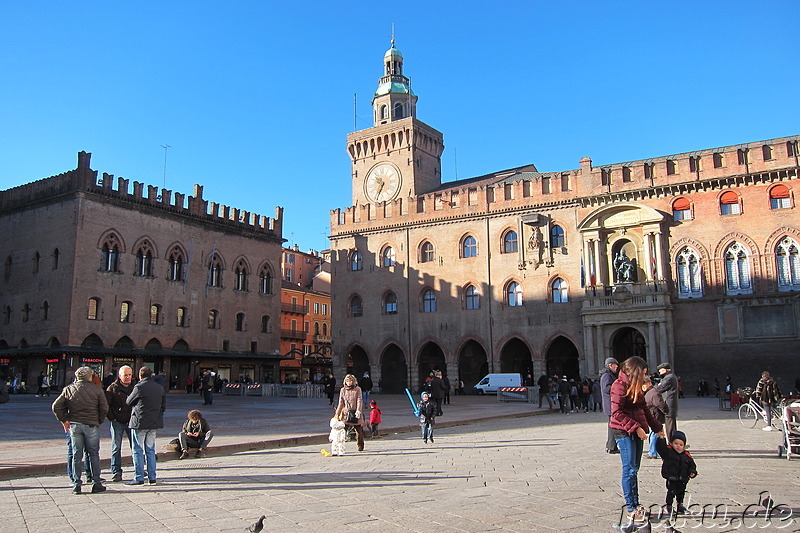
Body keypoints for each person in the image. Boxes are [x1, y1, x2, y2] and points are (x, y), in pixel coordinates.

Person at [610, 356, 666, 525]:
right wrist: (637, 428)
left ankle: (637, 504)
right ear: (635, 372)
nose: (645, 377)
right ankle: (631, 508)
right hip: (623, 431)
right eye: (643, 373)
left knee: (635, 468)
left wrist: (657, 427)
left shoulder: (636, 387)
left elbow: (644, 409)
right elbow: (617, 413)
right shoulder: (618, 386)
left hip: (636, 431)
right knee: (629, 469)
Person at [51, 366, 109, 494]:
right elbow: (104, 408)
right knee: (93, 454)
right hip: (91, 425)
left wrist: (64, 420)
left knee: (77, 455)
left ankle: (76, 484)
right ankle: (96, 482)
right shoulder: (97, 389)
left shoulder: (69, 389)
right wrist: (98, 420)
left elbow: (56, 406)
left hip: (75, 425)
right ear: (89, 377)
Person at [126, 366, 166, 485]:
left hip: (140, 422)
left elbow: (128, 401)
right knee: (150, 450)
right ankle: (152, 477)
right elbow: (163, 406)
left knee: (138, 450)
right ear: (151, 375)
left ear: (140, 376)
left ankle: (139, 477)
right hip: (154, 422)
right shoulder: (159, 388)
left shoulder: (139, 387)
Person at [655, 430, 697, 515]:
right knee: (671, 492)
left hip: (683, 478)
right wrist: (661, 439)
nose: (678, 446)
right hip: (672, 477)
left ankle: (680, 505)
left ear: (684, 446)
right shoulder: (668, 452)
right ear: (672, 443)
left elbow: (692, 465)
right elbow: (660, 448)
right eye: (676, 443)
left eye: (681, 445)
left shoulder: (686, 455)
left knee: (681, 493)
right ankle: (669, 506)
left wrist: (692, 472)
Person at [105, 365, 134, 482]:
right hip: (117, 421)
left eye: (129, 375)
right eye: (125, 375)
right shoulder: (112, 388)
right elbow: (106, 405)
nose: (127, 377)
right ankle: (116, 471)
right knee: (116, 447)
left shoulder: (135, 387)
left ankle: (139, 469)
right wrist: (112, 418)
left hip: (132, 422)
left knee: (135, 446)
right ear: (119, 376)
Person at [335, 374, 364, 451]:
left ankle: (360, 445)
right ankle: (340, 446)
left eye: (350, 381)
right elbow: (340, 402)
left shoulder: (358, 389)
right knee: (342, 431)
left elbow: (359, 400)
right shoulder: (343, 390)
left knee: (359, 431)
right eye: (347, 381)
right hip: (346, 413)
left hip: (355, 413)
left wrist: (358, 410)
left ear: (353, 381)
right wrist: (337, 414)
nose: (349, 383)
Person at [644, 376, 668, 460]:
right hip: (652, 416)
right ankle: (654, 451)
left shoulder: (653, 392)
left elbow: (660, 404)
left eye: (644, 384)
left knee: (654, 434)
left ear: (649, 383)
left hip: (655, 416)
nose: (643, 387)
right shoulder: (649, 392)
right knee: (654, 434)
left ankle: (653, 452)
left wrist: (666, 412)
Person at [601, 358, 620, 453]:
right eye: (615, 365)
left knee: (613, 425)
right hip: (610, 404)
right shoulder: (606, 375)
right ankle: (611, 447)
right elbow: (606, 389)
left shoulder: (610, 375)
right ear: (610, 365)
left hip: (612, 404)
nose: (617, 366)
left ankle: (611, 446)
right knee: (612, 426)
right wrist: (617, 388)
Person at [656, 362, 679, 440]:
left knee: (670, 426)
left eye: (660, 370)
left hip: (669, 405)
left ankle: (671, 443)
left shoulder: (669, 378)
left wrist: (652, 388)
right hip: (670, 404)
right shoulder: (669, 377)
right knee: (671, 425)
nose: (659, 372)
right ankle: (674, 441)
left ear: (666, 370)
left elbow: (660, 388)